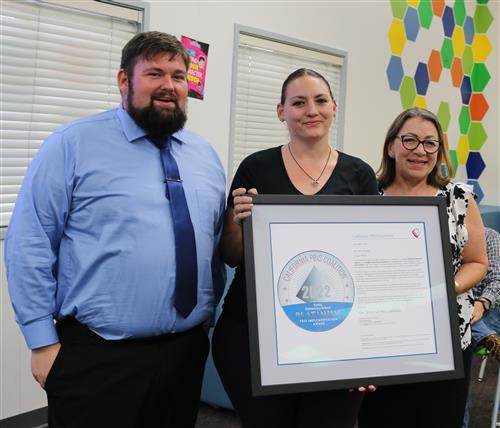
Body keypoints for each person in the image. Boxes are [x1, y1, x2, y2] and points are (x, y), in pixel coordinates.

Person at [4, 31, 226, 428]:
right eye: (154, 73)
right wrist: (42, 341)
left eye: (178, 76)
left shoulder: (205, 157)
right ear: (124, 81)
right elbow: (29, 243)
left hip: (184, 354)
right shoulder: (72, 146)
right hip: (98, 358)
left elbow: (209, 243)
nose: (168, 86)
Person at [211, 68, 379, 428]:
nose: (311, 110)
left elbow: (369, 261)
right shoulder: (256, 167)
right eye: (298, 102)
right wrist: (235, 222)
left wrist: (370, 354)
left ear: (334, 107)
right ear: (281, 111)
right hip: (252, 334)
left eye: (320, 100)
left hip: (336, 336)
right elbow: (232, 255)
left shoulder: (359, 174)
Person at [358, 107, 488, 428]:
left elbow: (477, 262)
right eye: (410, 140)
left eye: (430, 143)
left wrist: (447, 288)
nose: (420, 150)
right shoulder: (367, 196)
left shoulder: (459, 198)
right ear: (391, 146)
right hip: (380, 338)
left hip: (444, 337)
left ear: (439, 152)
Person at [463, 227, 500, 427]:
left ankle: (486, 336)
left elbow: (496, 279)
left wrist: (482, 302)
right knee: (462, 325)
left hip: (486, 309)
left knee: (464, 332)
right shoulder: (445, 234)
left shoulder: (490, 236)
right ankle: (489, 339)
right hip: (459, 309)